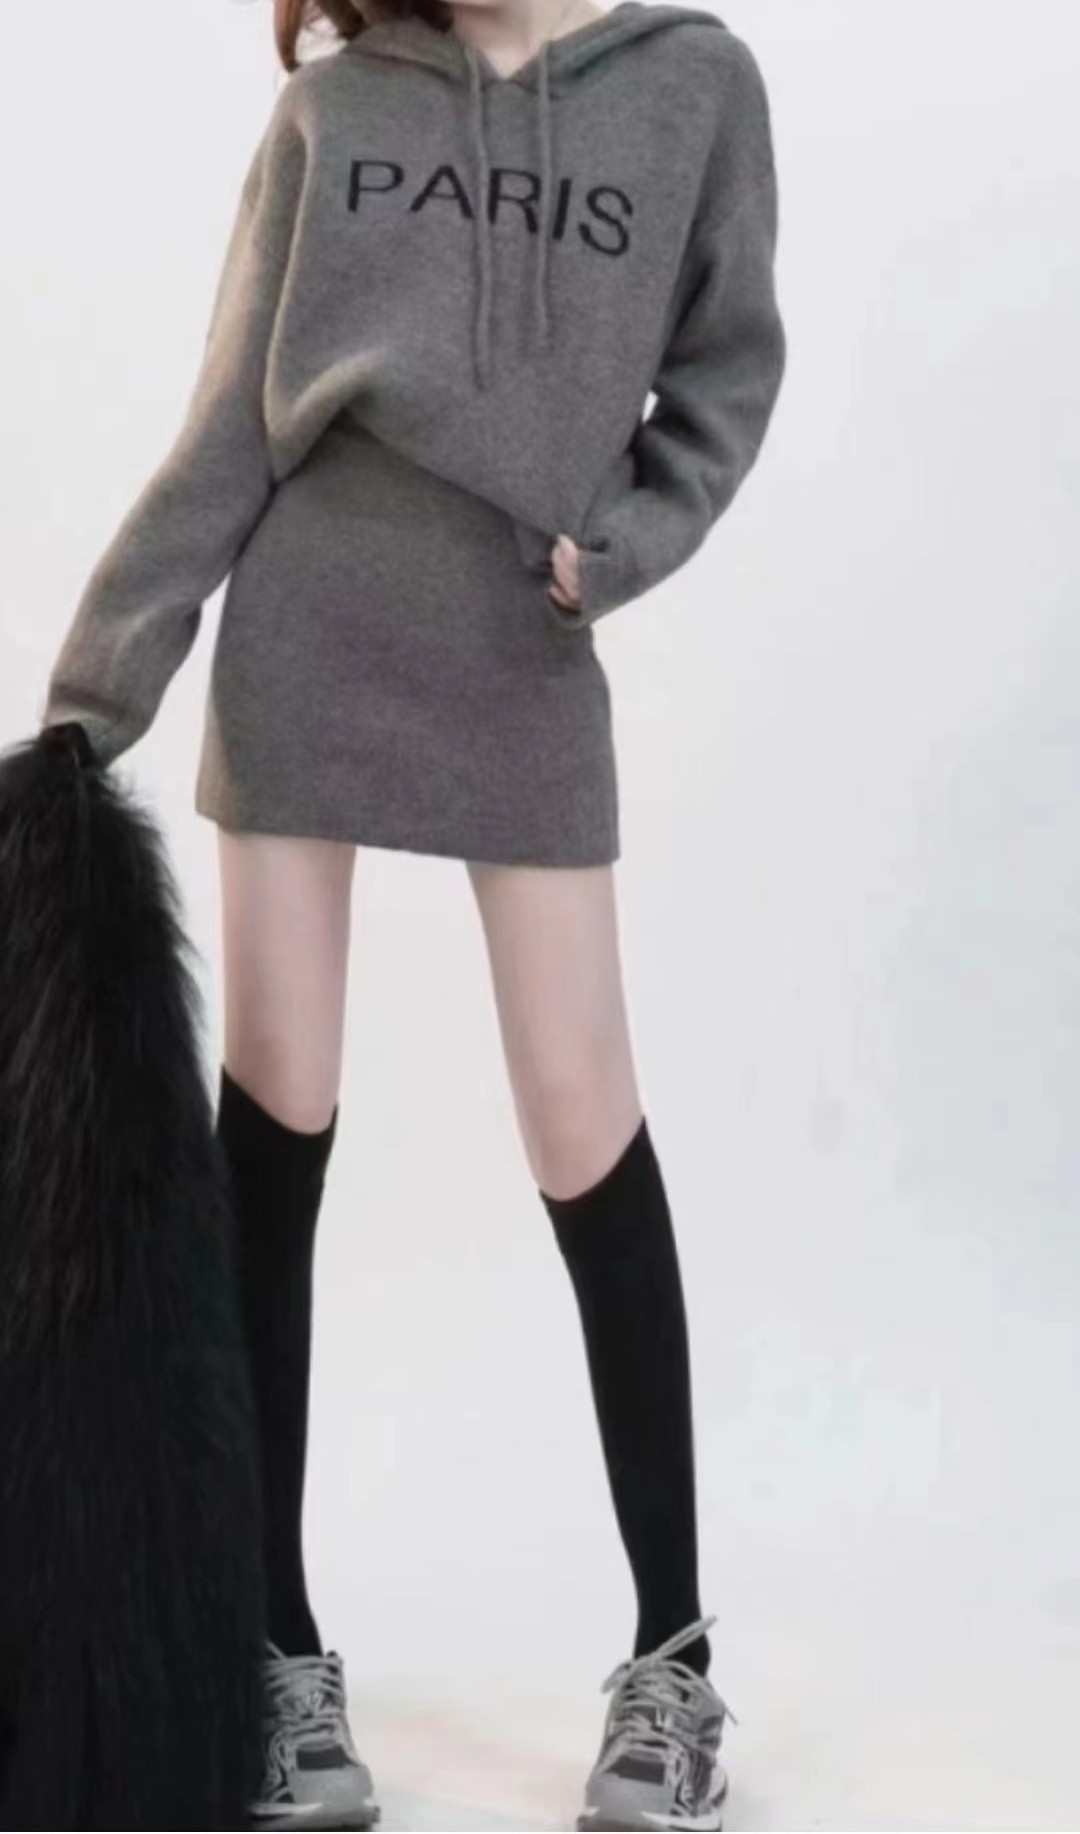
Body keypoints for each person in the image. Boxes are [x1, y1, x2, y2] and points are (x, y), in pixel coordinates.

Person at [38, 0, 786, 1825]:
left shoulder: (693, 86)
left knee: (581, 1108)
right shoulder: (333, 114)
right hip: (306, 637)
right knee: (277, 1105)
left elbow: (728, 369)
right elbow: (228, 432)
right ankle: (270, 1644)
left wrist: (623, 545)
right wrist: (91, 697)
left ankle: (674, 1657)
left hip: (524, 642)